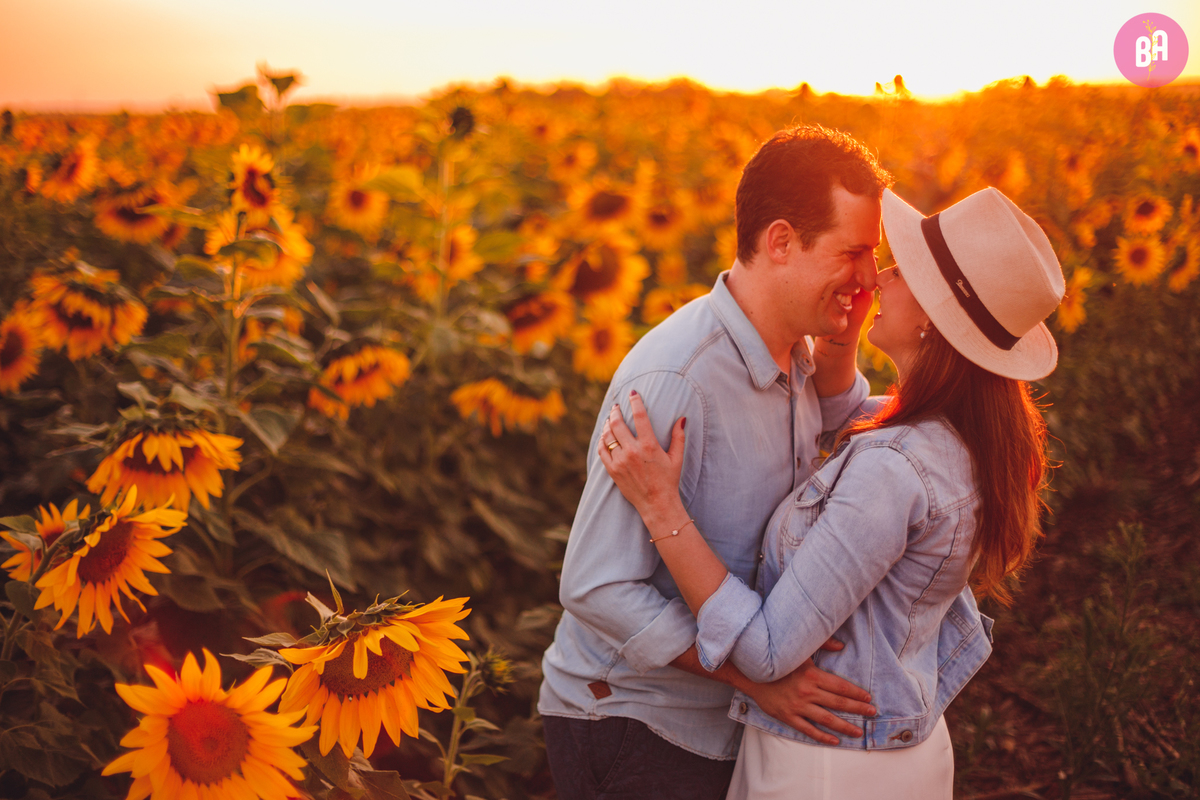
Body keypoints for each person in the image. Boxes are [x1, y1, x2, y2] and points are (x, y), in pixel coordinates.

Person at [597, 185, 1064, 799]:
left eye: (898, 270)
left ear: (929, 317)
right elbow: (841, 414)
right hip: (893, 752)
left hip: (827, 769)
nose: (878, 276)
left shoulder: (894, 470)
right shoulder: (961, 435)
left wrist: (661, 507)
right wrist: (840, 321)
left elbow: (766, 652)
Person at [539, 125, 893, 800]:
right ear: (781, 242)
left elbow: (838, 426)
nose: (870, 278)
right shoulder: (679, 381)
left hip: (712, 718)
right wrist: (754, 677)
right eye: (854, 253)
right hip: (636, 723)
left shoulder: (788, 349)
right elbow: (595, 586)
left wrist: (844, 339)